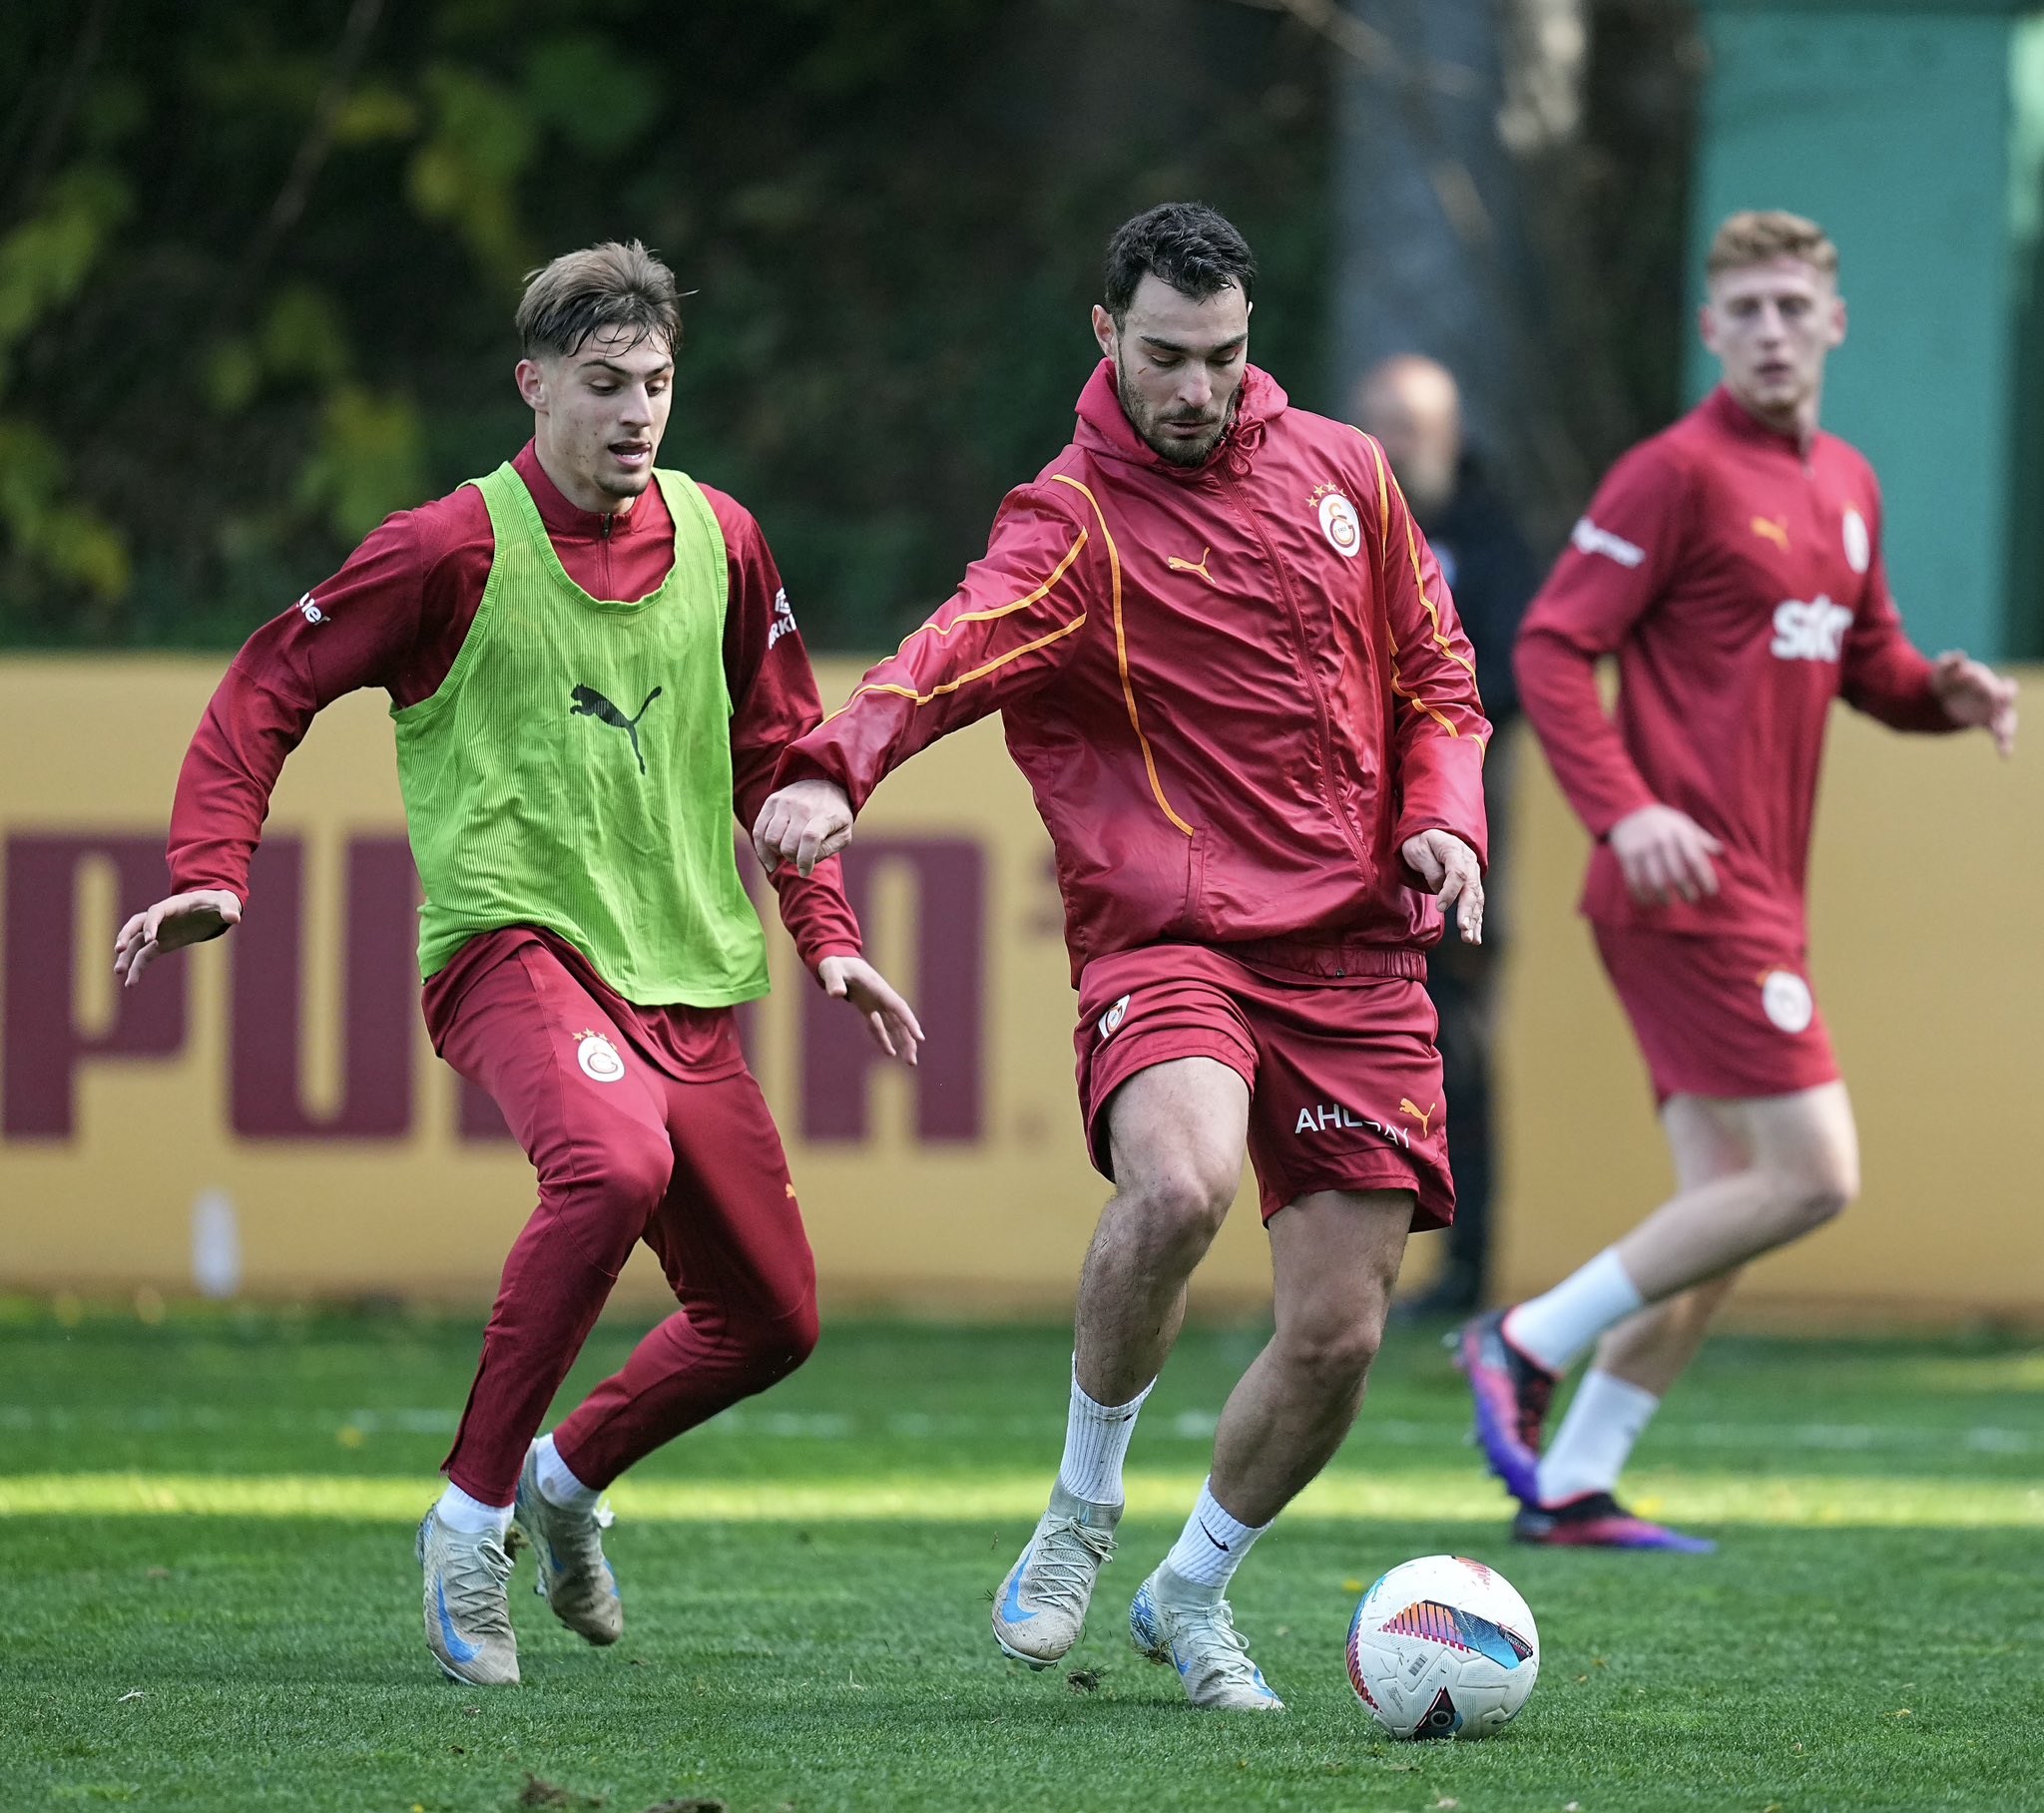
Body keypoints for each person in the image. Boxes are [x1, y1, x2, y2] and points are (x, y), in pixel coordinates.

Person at [114, 240, 922, 1684]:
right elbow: (267, 685)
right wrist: (210, 872)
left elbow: (778, 757)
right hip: (510, 942)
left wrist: (831, 935)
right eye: (604, 384)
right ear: (532, 382)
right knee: (608, 1166)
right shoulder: (448, 547)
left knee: (773, 1321)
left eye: (658, 384)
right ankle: (469, 1516)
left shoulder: (727, 539)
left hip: (684, 971)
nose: (636, 414)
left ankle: (564, 1482)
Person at [754, 203, 1489, 1709]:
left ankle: (1191, 1589)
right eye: (1164, 355)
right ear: (1106, 336)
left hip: (1357, 954)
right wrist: (839, 763)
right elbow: (952, 646)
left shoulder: (1349, 471)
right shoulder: (1071, 519)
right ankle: (1084, 1512)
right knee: (1180, 1179)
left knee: (1342, 1331)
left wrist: (1447, 823)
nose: (1195, 387)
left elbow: (1441, 676)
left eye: (1221, 356)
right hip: (1177, 939)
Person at [1458, 211, 2018, 1551]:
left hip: (1756, 889)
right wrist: (1625, 809)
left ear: (1836, 322)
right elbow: (1545, 649)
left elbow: (1869, 661)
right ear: (1712, 330)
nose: (1772, 329)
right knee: (1815, 1173)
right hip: (1685, 888)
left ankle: (1577, 1482)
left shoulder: (1850, 487)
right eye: (1747, 309)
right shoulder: (1677, 473)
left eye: (1793, 306)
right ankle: (1522, 1341)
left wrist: (1943, 693)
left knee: (1723, 1211)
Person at [1355, 356, 1538, 1316]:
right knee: (1340, 1053)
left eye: (1416, 424)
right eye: (1382, 423)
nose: (1399, 444)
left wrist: (1422, 718)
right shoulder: (1329, 527)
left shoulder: (1488, 537)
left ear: (1452, 434)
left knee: (1455, 1056)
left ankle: (1466, 1269)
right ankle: (1344, 1268)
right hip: (1336, 841)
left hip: (1455, 842)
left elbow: (1510, 675)